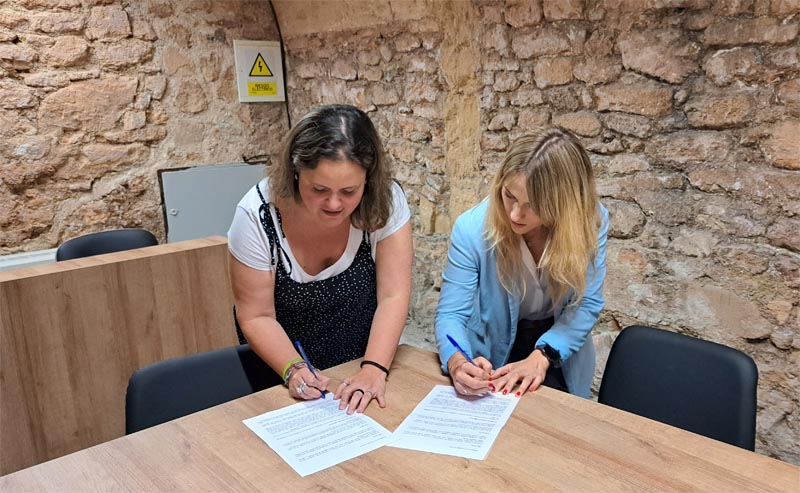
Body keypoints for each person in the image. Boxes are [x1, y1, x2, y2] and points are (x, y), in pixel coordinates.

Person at [228, 104, 412, 414]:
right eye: (319, 189)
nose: (334, 204)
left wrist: (374, 368)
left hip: (361, 362)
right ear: (295, 171)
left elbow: (393, 294)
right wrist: (293, 369)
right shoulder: (256, 215)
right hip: (279, 370)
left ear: (368, 180)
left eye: (349, 191)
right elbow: (256, 315)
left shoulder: (385, 201)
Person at [435, 127, 608, 399]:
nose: (515, 214)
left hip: (559, 346)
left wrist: (542, 357)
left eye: (533, 205)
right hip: (492, 350)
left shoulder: (590, 222)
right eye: (509, 196)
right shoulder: (471, 229)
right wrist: (457, 360)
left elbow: (585, 304)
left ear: (563, 204)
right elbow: (451, 315)